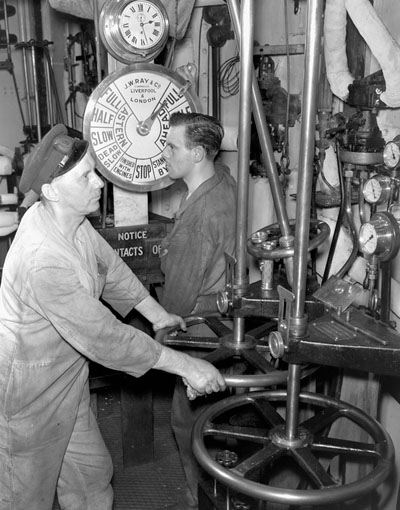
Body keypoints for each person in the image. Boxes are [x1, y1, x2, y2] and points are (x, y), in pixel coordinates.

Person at [0, 124, 226, 510]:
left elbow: (111, 267)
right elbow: (105, 337)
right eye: (85, 176)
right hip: (31, 394)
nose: (98, 183)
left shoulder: (73, 223)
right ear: (51, 191)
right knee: (27, 498)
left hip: (69, 379)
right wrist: (186, 366)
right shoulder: (43, 259)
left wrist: (156, 315)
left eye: (94, 171)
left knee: (91, 480)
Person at [158, 112, 237, 510]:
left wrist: (162, 340)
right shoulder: (220, 178)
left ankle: (198, 498)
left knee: (188, 422)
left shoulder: (199, 221)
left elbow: (178, 301)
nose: (164, 152)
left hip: (199, 328)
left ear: (199, 153)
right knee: (215, 421)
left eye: (172, 147)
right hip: (224, 321)